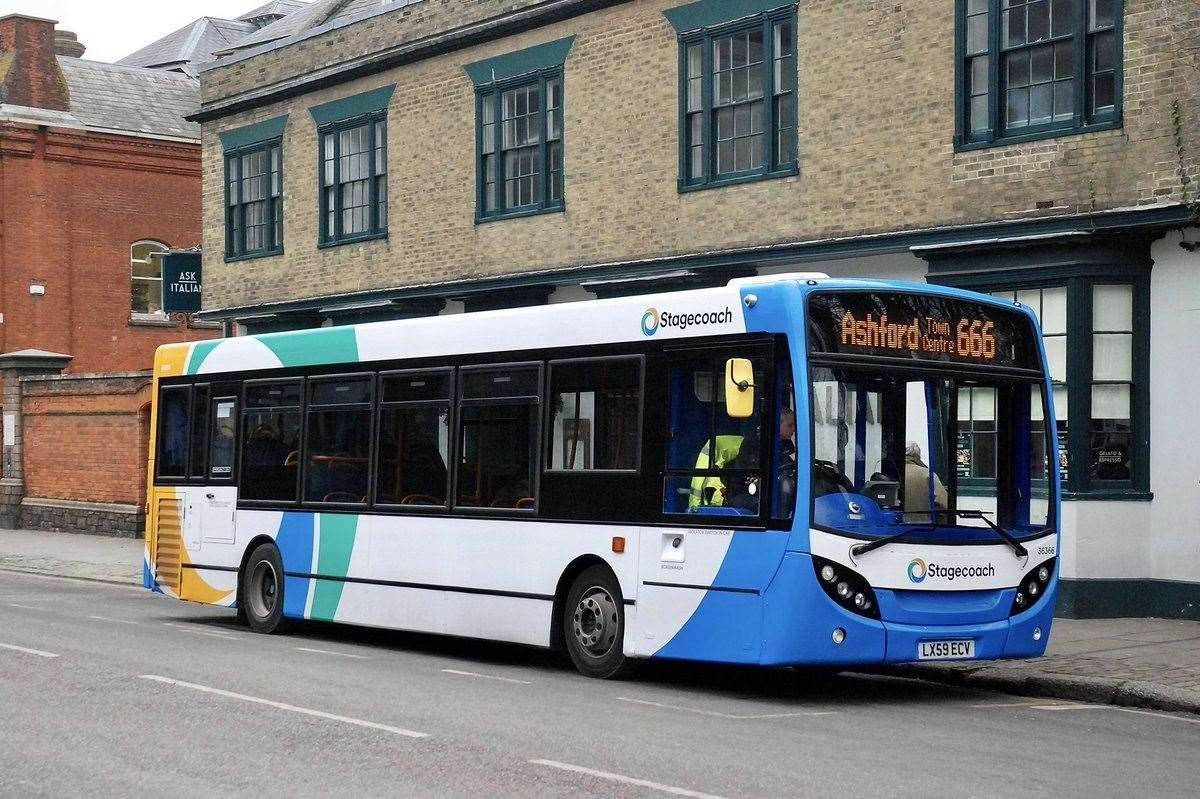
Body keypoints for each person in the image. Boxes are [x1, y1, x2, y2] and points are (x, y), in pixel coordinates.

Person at [903, 441, 948, 520]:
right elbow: (944, 505)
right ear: (917, 455)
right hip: (923, 526)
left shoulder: (890, 473)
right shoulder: (928, 474)